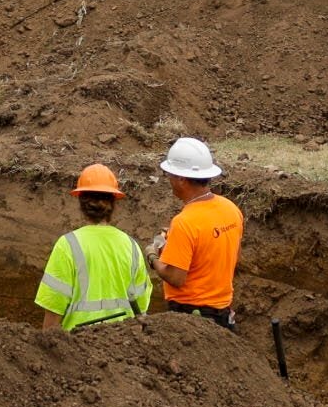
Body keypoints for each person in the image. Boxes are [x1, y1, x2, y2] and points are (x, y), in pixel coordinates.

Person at [34, 164, 153, 333]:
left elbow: (53, 309)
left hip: (78, 346)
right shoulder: (131, 245)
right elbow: (141, 306)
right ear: (113, 201)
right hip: (122, 344)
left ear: (81, 201)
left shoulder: (68, 244)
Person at [152, 138, 241, 327]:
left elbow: (176, 278)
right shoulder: (230, 209)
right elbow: (215, 248)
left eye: (170, 174)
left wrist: (152, 257)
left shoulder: (185, 222)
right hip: (223, 312)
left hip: (191, 316)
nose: (168, 180)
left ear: (181, 179)